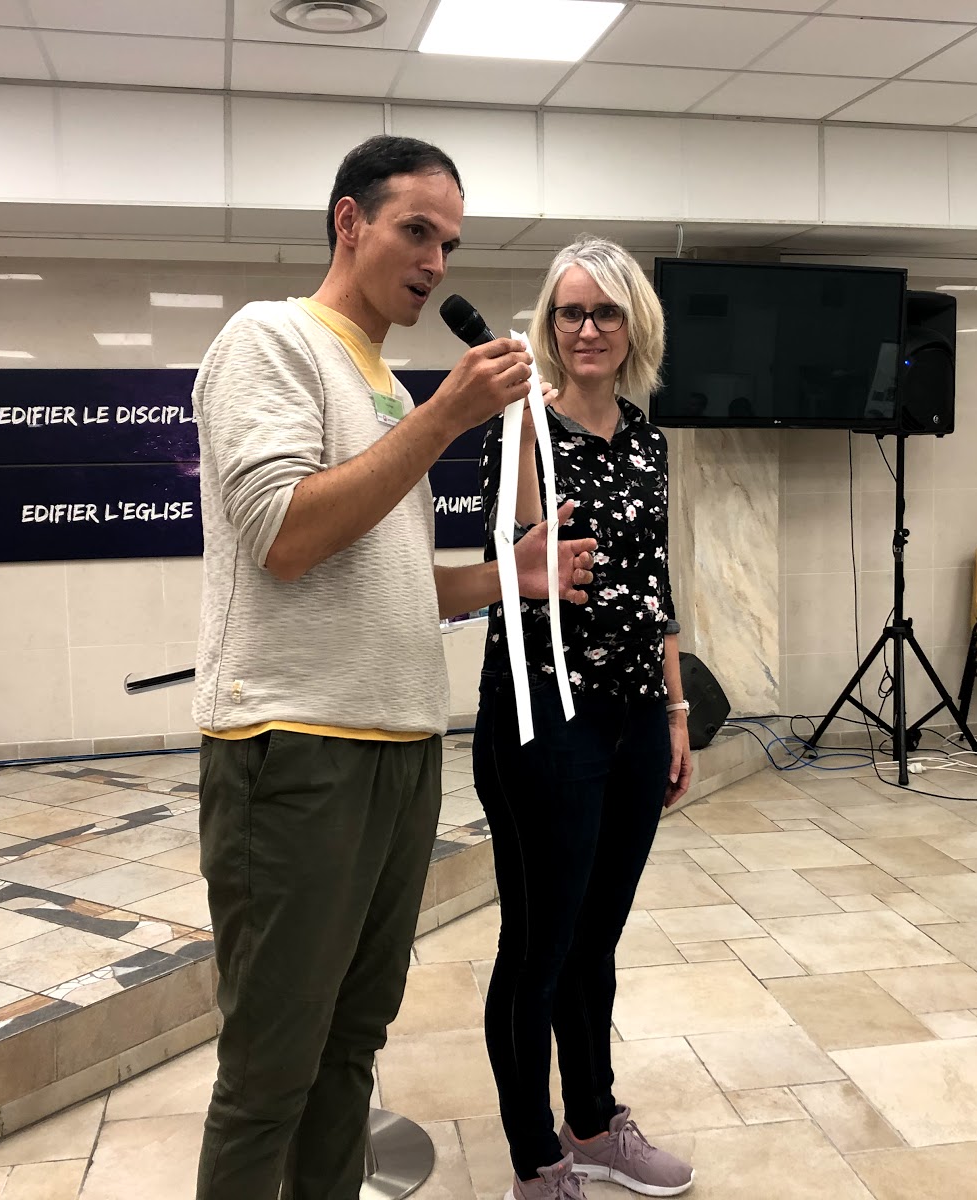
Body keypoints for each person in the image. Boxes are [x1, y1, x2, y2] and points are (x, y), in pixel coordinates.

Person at [188, 135, 596, 1200]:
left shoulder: (380, 380)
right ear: (349, 222)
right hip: (295, 747)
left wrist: (510, 575)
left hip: (401, 747)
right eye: (416, 230)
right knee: (271, 1069)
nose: (435, 261)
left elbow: (394, 583)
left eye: (449, 242)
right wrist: (446, 415)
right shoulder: (270, 339)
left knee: (350, 1046)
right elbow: (284, 536)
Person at [474, 236, 695, 1200]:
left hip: (635, 717)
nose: (588, 328)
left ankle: (595, 1123)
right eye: (571, 312)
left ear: (634, 324)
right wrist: (524, 418)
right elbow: (521, 550)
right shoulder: (521, 428)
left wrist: (676, 712)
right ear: (549, 324)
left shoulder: (646, 438)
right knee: (539, 945)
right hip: (545, 715)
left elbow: (656, 588)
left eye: (606, 311)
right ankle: (537, 1158)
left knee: (597, 937)